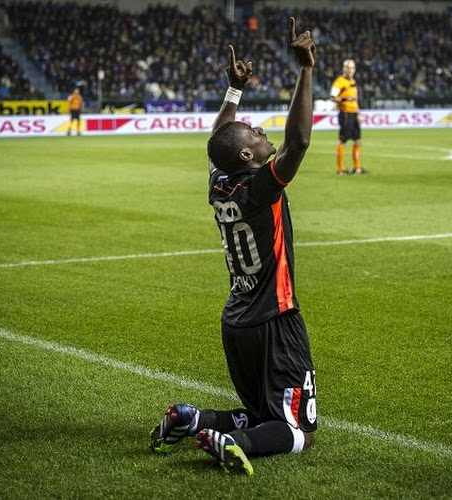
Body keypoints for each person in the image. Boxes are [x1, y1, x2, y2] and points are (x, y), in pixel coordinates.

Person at [150, 18, 317, 476]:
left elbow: (215, 145)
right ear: (247, 157)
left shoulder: (220, 185)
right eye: (256, 134)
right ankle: (231, 441)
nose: (263, 133)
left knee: (266, 413)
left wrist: (232, 93)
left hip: (237, 323)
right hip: (275, 320)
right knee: (298, 429)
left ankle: (193, 420)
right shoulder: (259, 189)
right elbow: (299, 140)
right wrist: (306, 69)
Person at [330, 59, 367, 175]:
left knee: (358, 140)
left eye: (352, 68)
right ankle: (340, 169)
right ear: (343, 68)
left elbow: (354, 100)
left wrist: (358, 113)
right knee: (343, 140)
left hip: (354, 114)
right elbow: (332, 97)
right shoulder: (339, 82)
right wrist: (345, 99)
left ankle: (357, 168)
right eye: (348, 67)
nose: (350, 70)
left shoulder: (353, 81)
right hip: (345, 114)